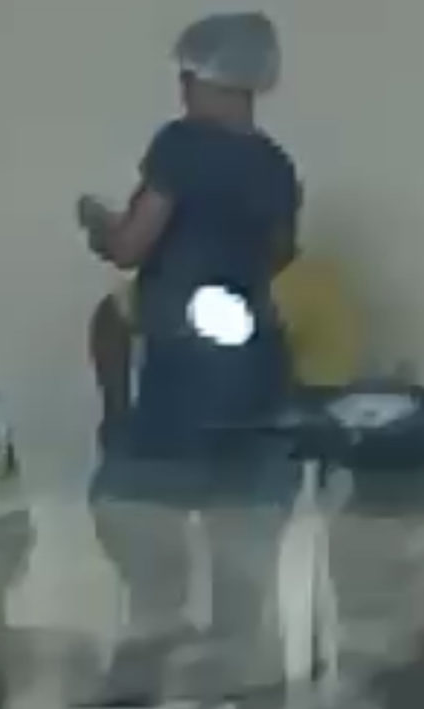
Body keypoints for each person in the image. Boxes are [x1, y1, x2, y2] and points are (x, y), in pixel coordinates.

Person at [76, 12, 307, 704]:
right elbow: (280, 253)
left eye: (187, 75)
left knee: (143, 538)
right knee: (243, 572)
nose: (180, 88)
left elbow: (130, 245)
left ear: (209, 80)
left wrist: (95, 222)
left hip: (184, 377)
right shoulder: (277, 165)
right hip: (257, 375)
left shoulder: (179, 146)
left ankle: (146, 683)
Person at [91, 217, 363, 449]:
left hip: (262, 448)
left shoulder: (312, 284)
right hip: (181, 444)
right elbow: (111, 316)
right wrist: (116, 413)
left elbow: (326, 399)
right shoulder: (204, 273)